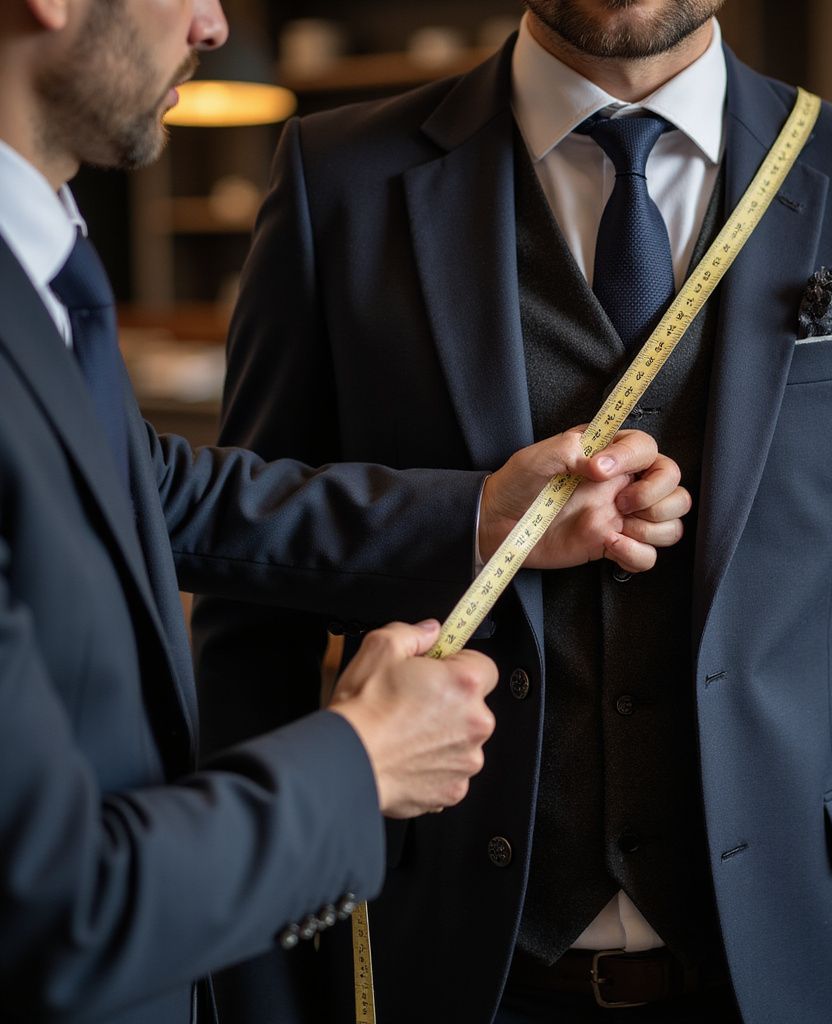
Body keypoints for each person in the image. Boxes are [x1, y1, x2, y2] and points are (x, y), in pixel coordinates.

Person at [192, 1, 832, 1023]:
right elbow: (252, 611)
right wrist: (256, 987)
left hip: (809, 953)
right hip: (442, 957)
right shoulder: (341, 181)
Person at [0, 1, 691, 1021]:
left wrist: (481, 518)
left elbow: (154, 487)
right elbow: (54, 905)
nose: (213, 23)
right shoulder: (330, 176)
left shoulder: (38, 259)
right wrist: (360, 761)